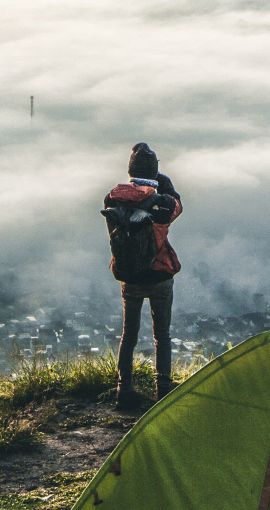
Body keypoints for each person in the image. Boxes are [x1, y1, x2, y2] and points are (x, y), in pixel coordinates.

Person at [104, 142, 183, 410]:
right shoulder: (163, 202)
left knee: (129, 335)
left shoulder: (112, 199)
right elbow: (177, 206)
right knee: (162, 335)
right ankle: (163, 390)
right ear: (155, 173)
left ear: (130, 172)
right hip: (160, 277)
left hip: (129, 277)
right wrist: (165, 184)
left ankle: (123, 390)